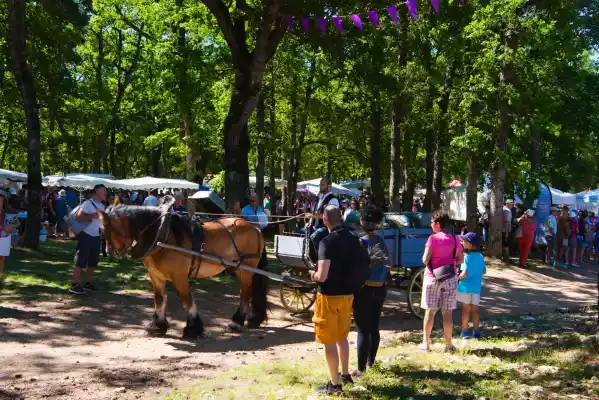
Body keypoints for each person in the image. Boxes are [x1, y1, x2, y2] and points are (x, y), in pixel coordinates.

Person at [308, 205, 354, 395]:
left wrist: (312, 274)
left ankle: (335, 385)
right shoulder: (353, 239)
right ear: (341, 218)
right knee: (342, 337)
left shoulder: (326, 242)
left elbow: (322, 275)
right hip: (347, 295)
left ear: (325, 219)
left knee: (328, 340)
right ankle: (345, 375)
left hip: (328, 296)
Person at [352, 206, 388, 376]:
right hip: (380, 289)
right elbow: (389, 264)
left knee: (362, 330)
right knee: (374, 327)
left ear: (361, 222)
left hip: (364, 290)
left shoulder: (359, 242)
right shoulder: (381, 240)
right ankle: (371, 362)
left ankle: (360, 369)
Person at [421, 210, 463, 353]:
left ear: (438, 224)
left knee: (430, 312)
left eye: (432, 222)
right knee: (447, 313)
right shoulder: (456, 239)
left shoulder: (432, 238)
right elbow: (460, 260)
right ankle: (449, 345)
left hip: (432, 278)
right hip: (450, 278)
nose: (431, 225)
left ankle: (426, 344)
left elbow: (425, 259)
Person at [69, 184, 106, 294]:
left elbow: (101, 223)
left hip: (96, 236)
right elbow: (78, 217)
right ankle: (74, 285)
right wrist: (94, 215)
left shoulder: (102, 206)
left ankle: (88, 284)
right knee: (81, 261)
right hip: (86, 235)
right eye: (103, 191)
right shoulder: (88, 203)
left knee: (93, 262)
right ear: (96, 192)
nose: (105, 193)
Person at [457, 232, 486, 339]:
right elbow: (484, 271)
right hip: (476, 288)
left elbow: (464, 274)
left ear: (469, 244)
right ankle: (476, 331)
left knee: (465, 310)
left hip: (466, 288)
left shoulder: (466, 258)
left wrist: (456, 277)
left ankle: (464, 331)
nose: (462, 242)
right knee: (475, 310)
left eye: (464, 241)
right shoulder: (480, 256)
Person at [305, 178, 340, 259]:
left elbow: (329, 216)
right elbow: (314, 212)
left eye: (322, 185)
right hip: (316, 226)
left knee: (315, 237)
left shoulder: (333, 199)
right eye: (320, 185)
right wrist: (310, 222)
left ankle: (322, 260)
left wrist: (312, 215)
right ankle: (310, 259)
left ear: (329, 187)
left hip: (327, 227)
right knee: (303, 232)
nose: (320, 187)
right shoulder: (319, 198)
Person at [0, 190, 15, 288]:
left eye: (1, 200)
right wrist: (3, 227)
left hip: (4, 237)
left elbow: (16, 221)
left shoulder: (7, 211)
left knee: (2, 258)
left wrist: (12, 225)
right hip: (2, 233)